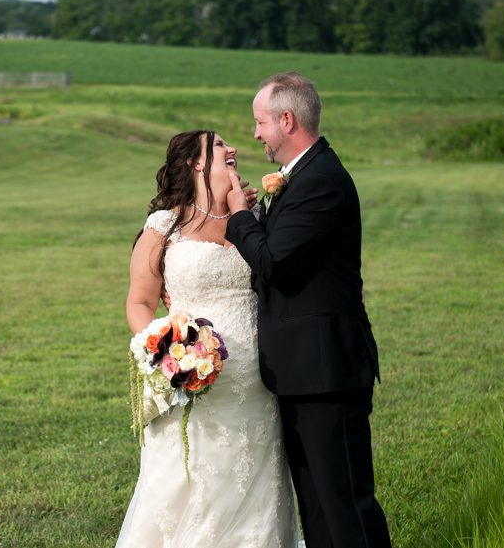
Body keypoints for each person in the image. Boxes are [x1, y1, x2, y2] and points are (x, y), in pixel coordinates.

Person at [225, 72, 392, 548]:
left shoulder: (320, 180)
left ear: (287, 119)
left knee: (345, 507)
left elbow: (274, 262)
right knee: (317, 506)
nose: (255, 134)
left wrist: (240, 217)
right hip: (305, 372)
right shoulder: (305, 175)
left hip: (327, 373)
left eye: (260, 123)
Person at [118, 130, 300, 547]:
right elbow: (139, 302)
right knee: (188, 485)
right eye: (220, 145)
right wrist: (166, 348)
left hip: (257, 383)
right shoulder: (165, 226)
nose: (232, 149)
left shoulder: (253, 221)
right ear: (196, 163)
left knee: (255, 490)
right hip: (193, 382)